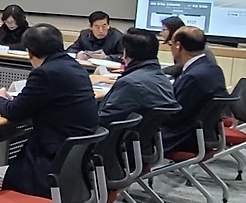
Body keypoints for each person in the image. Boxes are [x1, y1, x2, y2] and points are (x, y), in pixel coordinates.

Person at [0, 24, 99, 197]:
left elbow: (14, 112)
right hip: (76, 165)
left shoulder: (45, 73)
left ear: (30, 52)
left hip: (51, 165)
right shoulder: (76, 67)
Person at [160, 26, 228, 156]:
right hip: (203, 132)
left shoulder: (192, 76)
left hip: (183, 137)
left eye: (171, 44)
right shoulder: (213, 68)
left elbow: (174, 115)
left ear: (178, 46)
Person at [96, 28, 176, 125]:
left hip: (115, 133)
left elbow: (105, 118)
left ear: (127, 54)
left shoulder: (129, 83)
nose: (122, 57)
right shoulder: (162, 78)